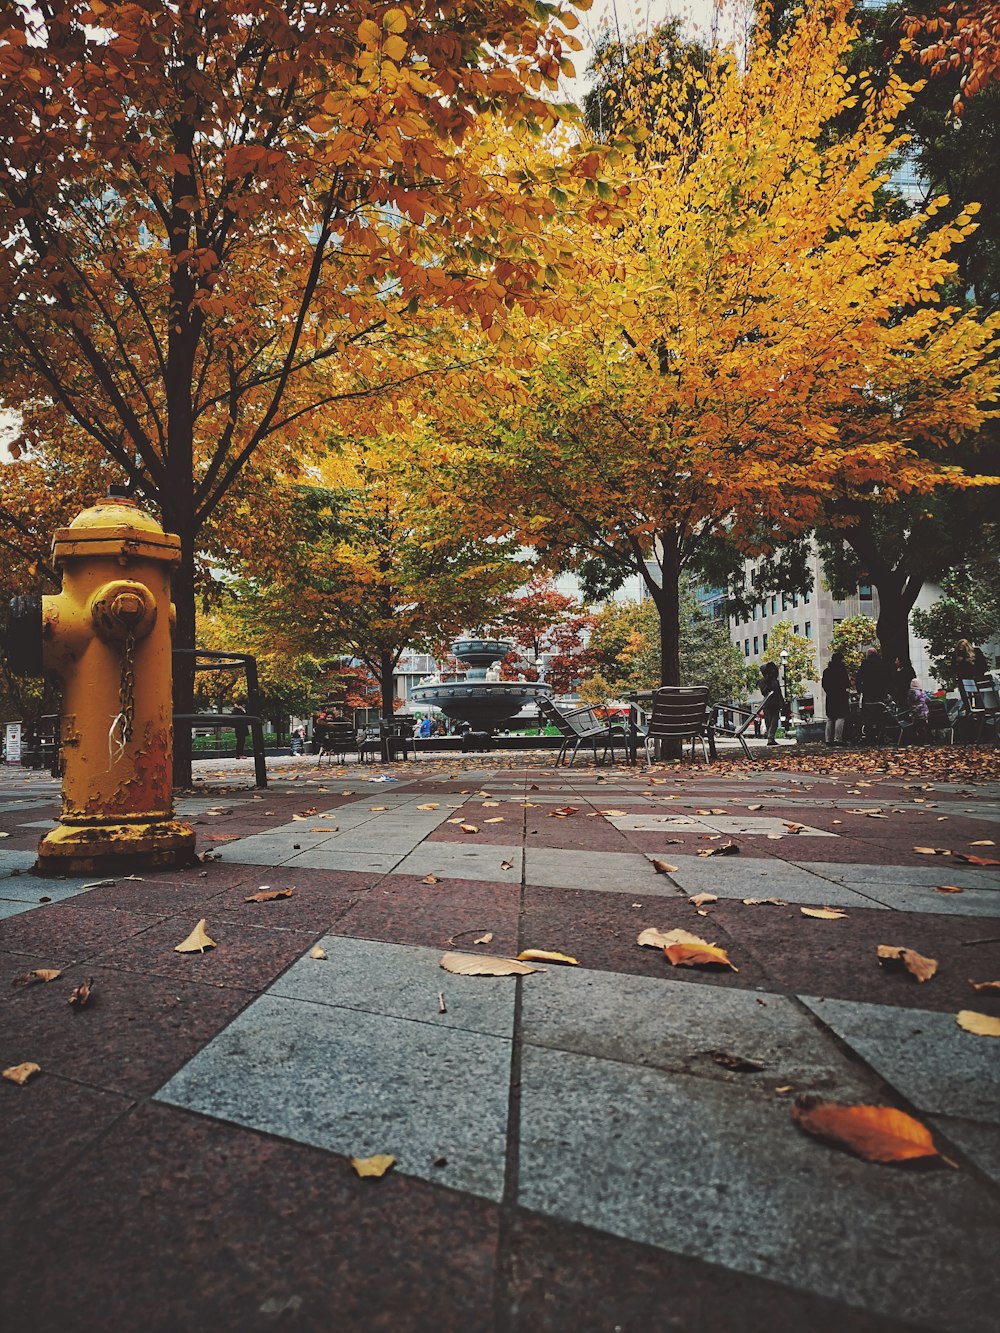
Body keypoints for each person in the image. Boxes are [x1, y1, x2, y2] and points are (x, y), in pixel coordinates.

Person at [821, 651, 851, 745]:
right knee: (840, 717)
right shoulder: (842, 671)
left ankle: (828, 739)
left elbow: (824, 684)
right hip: (841, 697)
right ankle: (838, 739)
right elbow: (846, 683)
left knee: (830, 718)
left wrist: (829, 691)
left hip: (830, 697)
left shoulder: (827, 671)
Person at [759, 660, 784, 746]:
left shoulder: (775, 681)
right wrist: (768, 683)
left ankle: (771, 737)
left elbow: (779, 693)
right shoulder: (763, 681)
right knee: (769, 722)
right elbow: (764, 691)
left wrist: (782, 704)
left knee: (774, 722)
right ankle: (770, 738)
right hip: (768, 704)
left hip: (776, 704)